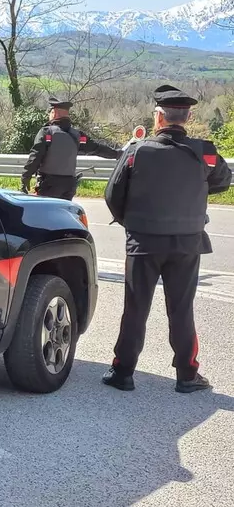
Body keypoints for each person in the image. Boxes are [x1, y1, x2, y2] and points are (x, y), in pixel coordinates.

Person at [103, 84, 232, 393]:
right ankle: (187, 375)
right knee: (182, 308)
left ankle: (123, 373)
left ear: (158, 118)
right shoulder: (206, 152)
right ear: (187, 117)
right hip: (187, 243)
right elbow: (223, 181)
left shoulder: (137, 150)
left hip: (143, 242)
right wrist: (193, 192)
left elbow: (112, 194)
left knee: (135, 308)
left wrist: (131, 223)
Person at [21, 97, 122, 200]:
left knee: (47, 214)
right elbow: (97, 148)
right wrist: (118, 154)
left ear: (54, 113)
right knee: (64, 213)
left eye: (50, 113)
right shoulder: (78, 135)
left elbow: (36, 156)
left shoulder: (47, 133)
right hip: (69, 186)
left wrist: (26, 176)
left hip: (49, 184)